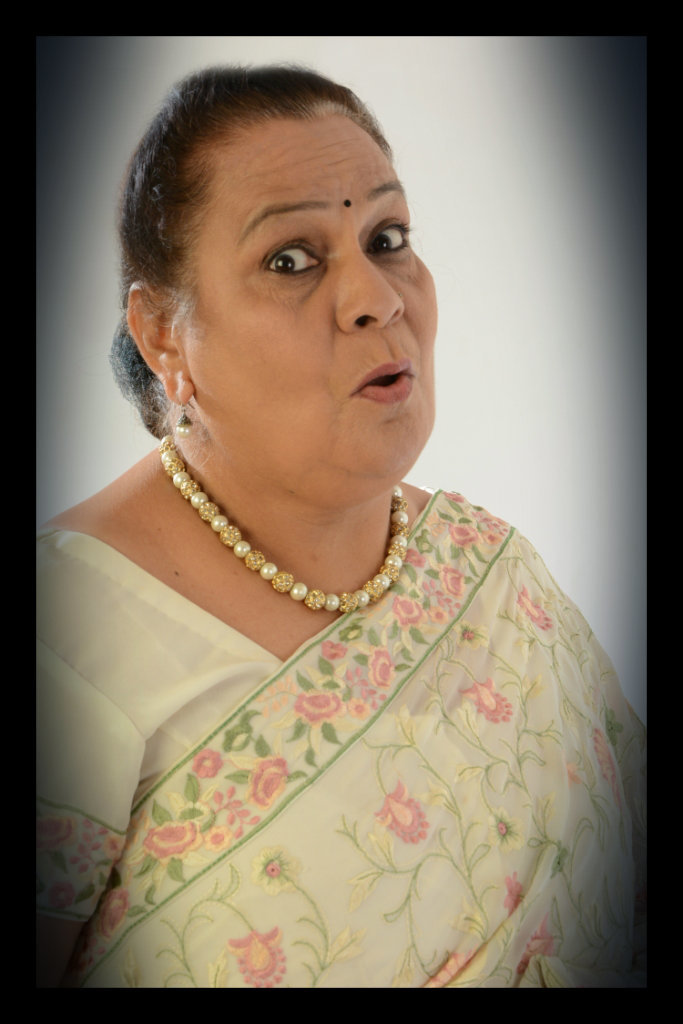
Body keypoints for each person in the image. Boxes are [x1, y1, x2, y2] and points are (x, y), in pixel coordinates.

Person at [36, 64, 646, 988]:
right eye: (291, 259)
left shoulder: (487, 571)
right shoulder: (70, 646)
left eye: (386, 238)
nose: (376, 296)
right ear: (163, 333)